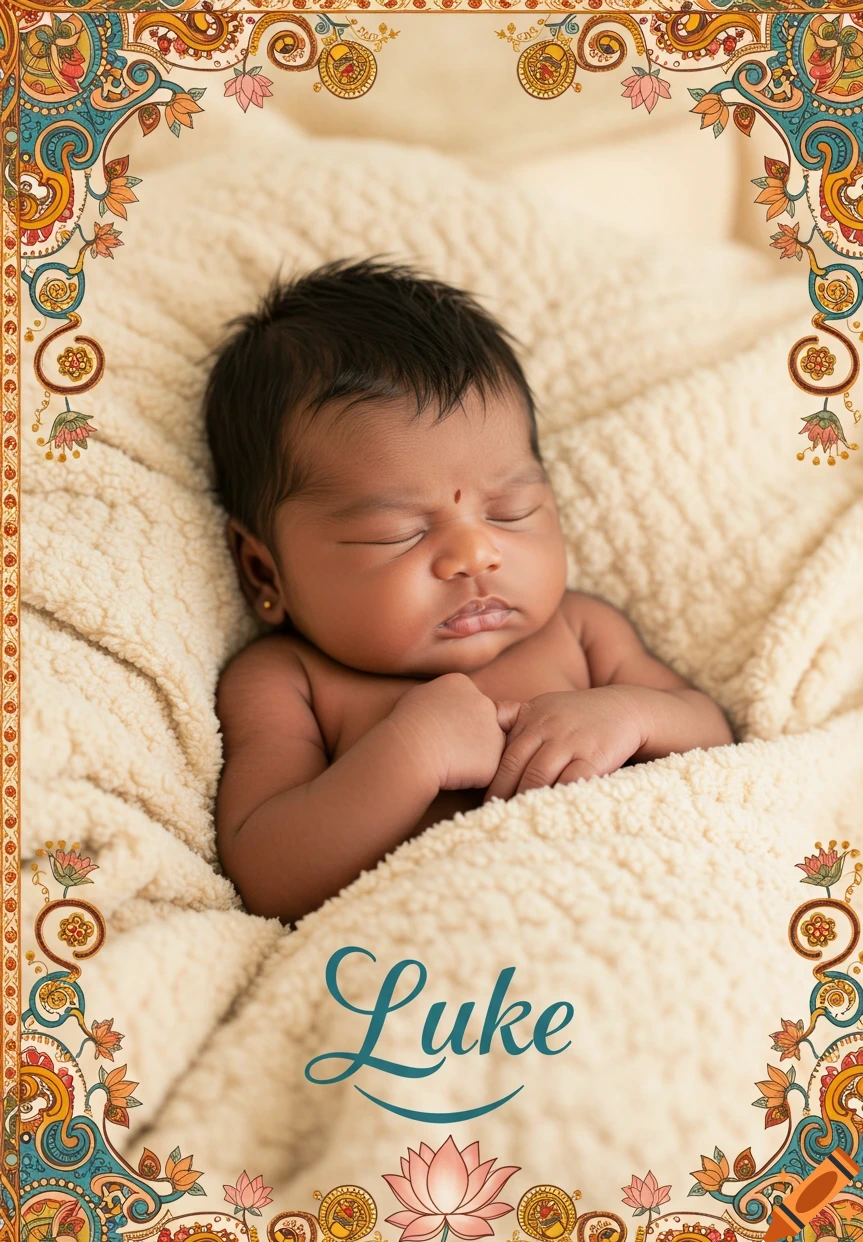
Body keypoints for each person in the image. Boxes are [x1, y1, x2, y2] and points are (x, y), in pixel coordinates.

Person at [202, 255, 734, 924]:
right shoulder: (288, 681)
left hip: (639, 906)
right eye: (396, 533)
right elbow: (267, 872)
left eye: (510, 511)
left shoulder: (579, 629)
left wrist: (631, 716)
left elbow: (716, 742)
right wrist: (410, 753)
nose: (476, 554)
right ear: (263, 571)